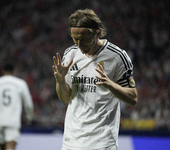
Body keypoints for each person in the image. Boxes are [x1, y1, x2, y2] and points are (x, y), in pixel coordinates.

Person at [53, 9, 138, 150]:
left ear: (98, 32)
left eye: (84, 39)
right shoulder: (70, 54)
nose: (79, 45)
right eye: (75, 39)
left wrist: (110, 84)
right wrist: (60, 81)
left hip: (102, 142)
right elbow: (65, 98)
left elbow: (133, 98)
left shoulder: (117, 56)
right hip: (71, 141)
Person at [0, 61, 34, 150]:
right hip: (13, 121)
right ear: (14, 71)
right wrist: (29, 117)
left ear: (2, 70)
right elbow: (28, 104)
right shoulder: (21, 84)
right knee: (10, 147)